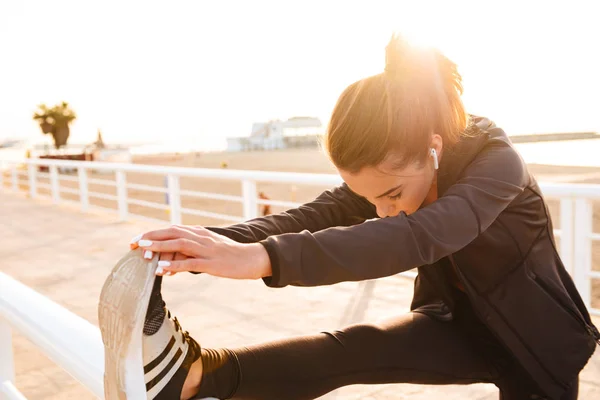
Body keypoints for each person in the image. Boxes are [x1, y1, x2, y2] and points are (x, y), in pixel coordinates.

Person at [110, 34, 599, 400]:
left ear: (433, 148)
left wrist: (261, 259)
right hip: (455, 321)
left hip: (535, 344)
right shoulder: (399, 161)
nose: (384, 210)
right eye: (373, 199)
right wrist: (208, 243)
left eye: (392, 194)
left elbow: (422, 236)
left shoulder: (497, 165)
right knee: (350, 348)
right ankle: (193, 377)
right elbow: (320, 212)